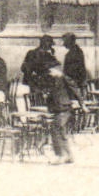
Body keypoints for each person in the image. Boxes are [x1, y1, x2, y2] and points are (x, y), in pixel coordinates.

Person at [24, 35, 77, 164]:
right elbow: (26, 69)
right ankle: (67, 155)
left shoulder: (54, 74)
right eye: (48, 44)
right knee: (60, 128)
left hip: (60, 104)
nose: (50, 47)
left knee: (56, 127)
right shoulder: (35, 55)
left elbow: (69, 86)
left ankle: (61, 155)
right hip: (56, 101)